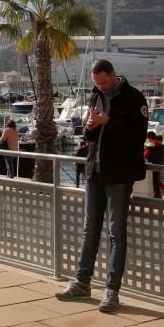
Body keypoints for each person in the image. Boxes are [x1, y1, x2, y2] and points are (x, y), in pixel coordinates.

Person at [56, 59, 148, 313]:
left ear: (113, 75)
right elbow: (91, 137)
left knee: (116, 232)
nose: (101, 87)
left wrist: (109, 122)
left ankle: (111, 290)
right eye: (97, 83)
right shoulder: (96, 96)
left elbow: (138, 136)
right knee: (90, 229)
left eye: (104, 82)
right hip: (94, 171)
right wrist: (90, 128)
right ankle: (82, 282)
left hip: (119, 174)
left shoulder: (134, 98)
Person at [144, 133, 164, 198]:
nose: (148, 140)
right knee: (156, 180)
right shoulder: (159, 144)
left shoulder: (154, 143)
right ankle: (161, 193)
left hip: (154, 165)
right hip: (159, 164)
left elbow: (145, 152)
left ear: (150, 138)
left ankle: (158, 195)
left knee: (154, 180)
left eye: (148, 138)